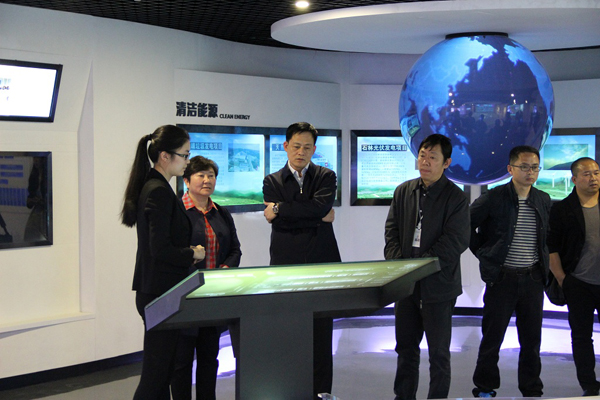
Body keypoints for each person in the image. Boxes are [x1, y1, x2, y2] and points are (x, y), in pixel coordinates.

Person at [121, 125, 206, 400]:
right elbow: (160, 249)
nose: (188, 161)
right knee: (155, 378)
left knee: (163, 373)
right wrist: (193, 254)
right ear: (165, 156)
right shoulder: (157, 190)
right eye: (184, 155)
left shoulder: (157, 186)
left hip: (160, 290)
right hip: (159, 292)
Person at [384, 134, 470, 400]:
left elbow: (456, 241)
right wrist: (399, 265)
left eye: (433, 157)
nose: (425, 162)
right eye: (422, 155)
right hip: (406, 286)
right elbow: (391, 231)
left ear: (446, 163)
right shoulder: (404, 191)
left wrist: (420, 267)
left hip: (439, 287)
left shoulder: (456, 197)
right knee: (405, 350)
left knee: (439, 354)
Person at [263, 121, 340, 399]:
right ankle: (289, 390)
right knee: (287, 330)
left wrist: (280, 209)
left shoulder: (326, 176)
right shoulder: (272, 181)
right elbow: (317, 211)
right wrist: (317, 215)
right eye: (296, 146)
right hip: (286, 265)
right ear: (286, 146)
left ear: (314, 149)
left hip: (322, 264)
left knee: (322, 332)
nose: (301, 152)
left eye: (307, 147)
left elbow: (319, 206)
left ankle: (322, 392)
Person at [469, 145, 551, 398]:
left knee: (532, 340)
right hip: (501, 278)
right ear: (510, 169)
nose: (530, 172)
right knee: (492, 337)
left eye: (534, 167)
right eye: (524, 167)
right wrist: (485, 254)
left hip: (533, 278)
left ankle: (531, 388)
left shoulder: (542, 199)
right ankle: (485, 387)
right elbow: (466, 226)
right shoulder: (493, 198)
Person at [170, 156, 242, 400]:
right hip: (185, 297)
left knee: (210, 358)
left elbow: (235, 250)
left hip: (213, 297)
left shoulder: (221, 213)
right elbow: (170, 253)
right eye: (200, 175)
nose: (206, 180)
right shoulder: (176, 212)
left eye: (211, 175)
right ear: (186, 180)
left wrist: (225, 268)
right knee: (181, 361)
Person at [548, 157, 600, 397]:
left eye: (596, 173)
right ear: (575, 179)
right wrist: (562, 279)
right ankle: (589, 384)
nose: (593, 178)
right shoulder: (562, 209)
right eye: (587, 174)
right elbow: (552, 247)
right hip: (579, 283)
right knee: (581, 337)